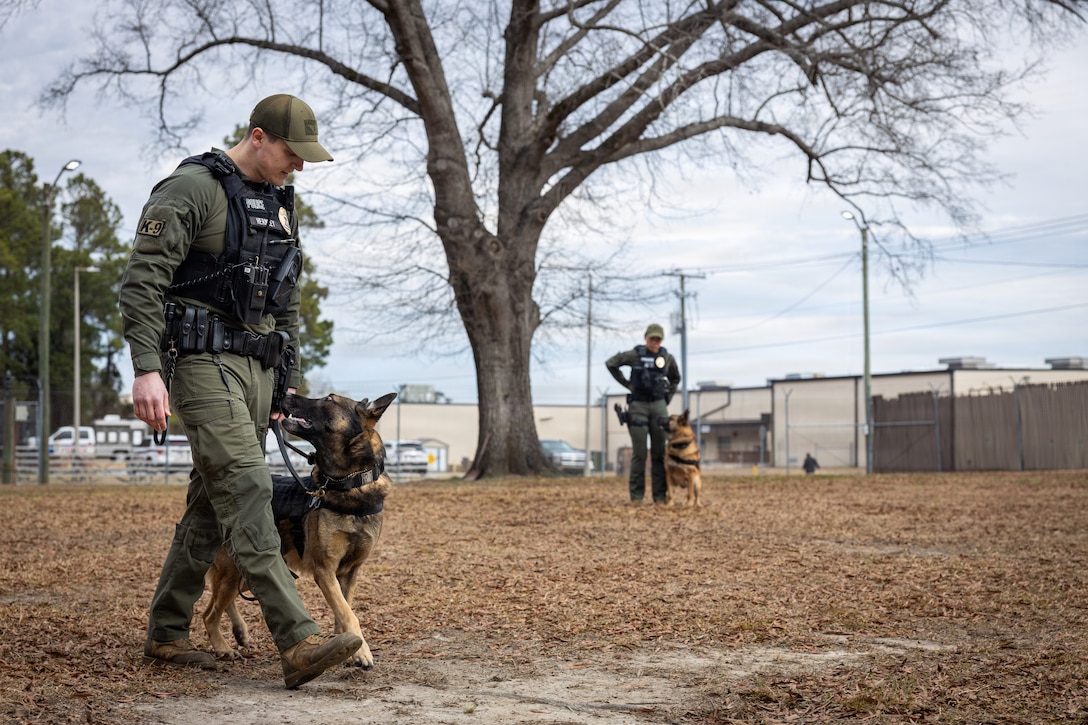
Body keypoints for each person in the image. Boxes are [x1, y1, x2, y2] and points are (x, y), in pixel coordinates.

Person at [120, 94, 361, 689]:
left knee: (209, 502)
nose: (299, 166)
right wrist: (146, 367)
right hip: (200, 362)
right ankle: (299, 639)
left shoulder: (279, 200)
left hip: (258, 369)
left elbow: (287, 294)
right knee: (250, 486)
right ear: (259, 137)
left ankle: (168, 632)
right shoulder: (192, 188)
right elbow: (143, 279)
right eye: (292, 153)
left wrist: (287, 376)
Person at [605, 324, 681, 503]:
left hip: (658, 406)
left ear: (661, 340)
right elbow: (611, 363)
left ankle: (660, 497)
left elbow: (675, 378)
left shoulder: (666, 358)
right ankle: (637, 497)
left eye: (658, 339)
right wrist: (627, 384)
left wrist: (667, 396)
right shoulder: (635, 355)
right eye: (651, 338)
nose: (654, 342)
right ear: (646, 338)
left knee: (659, 453)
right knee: (639, 454)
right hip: (638, 405)